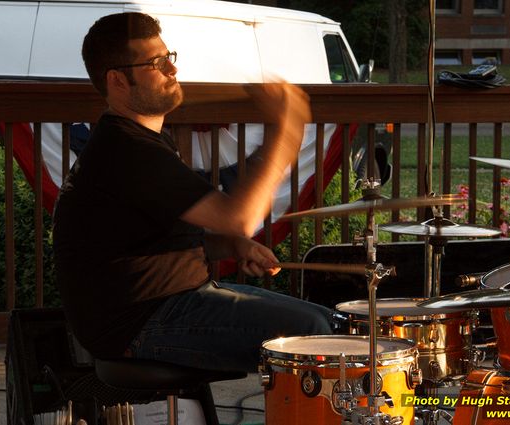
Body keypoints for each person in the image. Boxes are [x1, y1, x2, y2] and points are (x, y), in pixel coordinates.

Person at [52, 12, 333, 372]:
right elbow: (240, 219)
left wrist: (230, 247)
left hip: (169, 303)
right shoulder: (126, 150)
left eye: (169, 58)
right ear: (118, 81)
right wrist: (287, 130)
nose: (171, 70)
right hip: (140, 322)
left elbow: (150, 244)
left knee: (330, 322)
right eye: (156, 63)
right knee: (313, 334)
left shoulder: (135, 142)